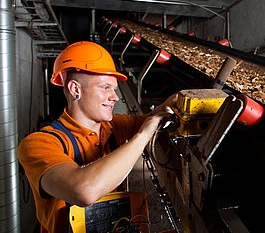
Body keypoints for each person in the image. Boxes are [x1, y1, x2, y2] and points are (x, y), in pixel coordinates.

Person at [18, 41, 177, 233]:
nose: (115, 97)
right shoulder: (39, 144)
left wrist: (177, 101)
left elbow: (155, 118)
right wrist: (143, 136)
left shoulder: (114, 126)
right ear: (75, 89)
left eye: (115, 89)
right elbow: (84, 191)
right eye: (105, 88)